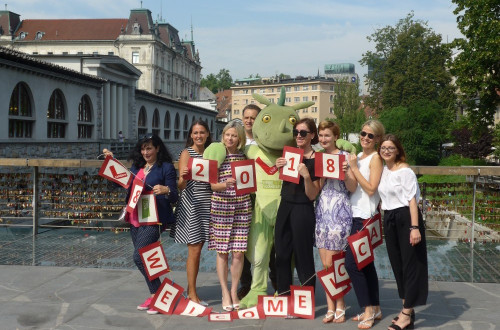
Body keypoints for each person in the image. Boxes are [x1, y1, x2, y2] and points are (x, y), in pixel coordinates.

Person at [103, 133, 178, 315]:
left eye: (149, 148)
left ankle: (158, 294)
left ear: (157, 148)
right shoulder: (137, 167)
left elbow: (174, 195)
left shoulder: (166, 168)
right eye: (143, 148)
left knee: (139, 257)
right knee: (147, 259)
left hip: (154, 218)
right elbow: (117, 184)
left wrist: (166, 189)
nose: (146, 152)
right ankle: (155, 296)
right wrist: (111, 163)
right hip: (135, 217)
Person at [377, 135, 428, 330]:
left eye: (390, 148)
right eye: (383, 147)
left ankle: (406, 314)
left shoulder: (405, 171)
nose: (386, 151)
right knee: (397, 264)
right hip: (389, 218)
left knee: (411, 265)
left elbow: (412, 201)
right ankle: (408, 309)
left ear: (398, 150)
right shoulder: (384, 170)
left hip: (406, 218)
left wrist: (414, 228)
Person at [315, 120, 357, 323]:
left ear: (335, 137)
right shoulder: (319, 157)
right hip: (322, 211)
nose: (323, 139)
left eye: (327, 136)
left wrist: (346, 170)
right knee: (324, 264)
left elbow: (352, 188)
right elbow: (317, 188)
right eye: (321, 135)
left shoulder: (344, 156)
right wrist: (319, 176)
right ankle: (330, 307)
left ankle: (340, 304)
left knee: (333, 262)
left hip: (339, 211)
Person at [207, 121, 252, 311]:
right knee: (223, 252)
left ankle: (234, 290)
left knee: (239, 253)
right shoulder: (217, 156)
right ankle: (224, 292)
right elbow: (212, 185)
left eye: (234, 135)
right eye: (227, 135)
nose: (230, 138)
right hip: (222, 207)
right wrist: (225, 184)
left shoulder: (244, 157)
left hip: (242, 207)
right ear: (223, 136)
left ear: (239, 138)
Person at [274, 118, 320, 302]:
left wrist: (307, 177)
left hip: (303, 208)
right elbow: (286, 183)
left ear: (312, 135)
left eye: (303, 133)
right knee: (282, 253)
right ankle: (284, 295)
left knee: (303, 255)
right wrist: (279, 167)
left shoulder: (317, 159)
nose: (298, 136)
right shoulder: (290, 155)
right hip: (285, 205)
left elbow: (312, 195)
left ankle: (306, 300)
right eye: (296, 132)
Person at [345, 120, 385, 329]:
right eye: (363, 133)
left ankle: (367, 309)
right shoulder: (358, 157)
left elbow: (371, 189)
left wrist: (353, 168)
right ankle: (375, 308)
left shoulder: (376, 158)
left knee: (353, 264)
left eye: (371, 136)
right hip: (354, 214)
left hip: (366, 217)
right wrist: (347, 171)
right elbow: (353, 187)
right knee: (366, 264)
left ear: (378, 139)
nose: (365, 138)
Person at [170, 120, 212, 305]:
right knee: (194, 250)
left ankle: (191, 290)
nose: (198, 136)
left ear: (208, 134)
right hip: (192, 204)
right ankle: (192, 294)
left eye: (202, 132)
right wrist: (184, 177)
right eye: (195, 133)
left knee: (199, 248)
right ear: (191, 135)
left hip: (208, 203)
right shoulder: (187, 153)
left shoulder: (211, 153)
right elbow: (180, 185)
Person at [238, 104, 278, 300]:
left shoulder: (266, 139)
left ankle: (277, 281)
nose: (249, 120)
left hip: (267, 196)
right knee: (245, 243)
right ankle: (247, 284)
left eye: (253, 117)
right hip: (245, 197)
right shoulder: (238, 140)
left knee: (271, 244)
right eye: (246, 117)